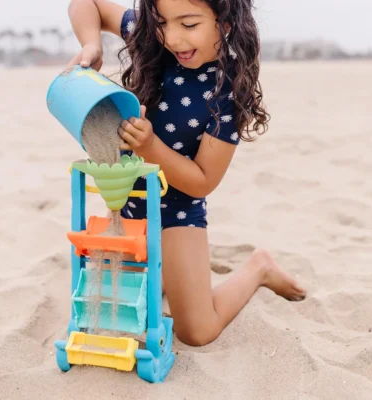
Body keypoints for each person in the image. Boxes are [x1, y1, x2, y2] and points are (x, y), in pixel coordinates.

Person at [67, 0, 306, 346]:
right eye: (162, 23)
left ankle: (258, 267)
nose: (174, 39)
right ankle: (162, 273)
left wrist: (150, 146)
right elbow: (86, 4)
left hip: (177, 210)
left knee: (197, 331)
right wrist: (91, 43)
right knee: (116, 311)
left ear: (224, 22)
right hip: (125, 202)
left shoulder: (227, 89)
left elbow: (203, 180)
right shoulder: (152, 38)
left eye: (189, 25)